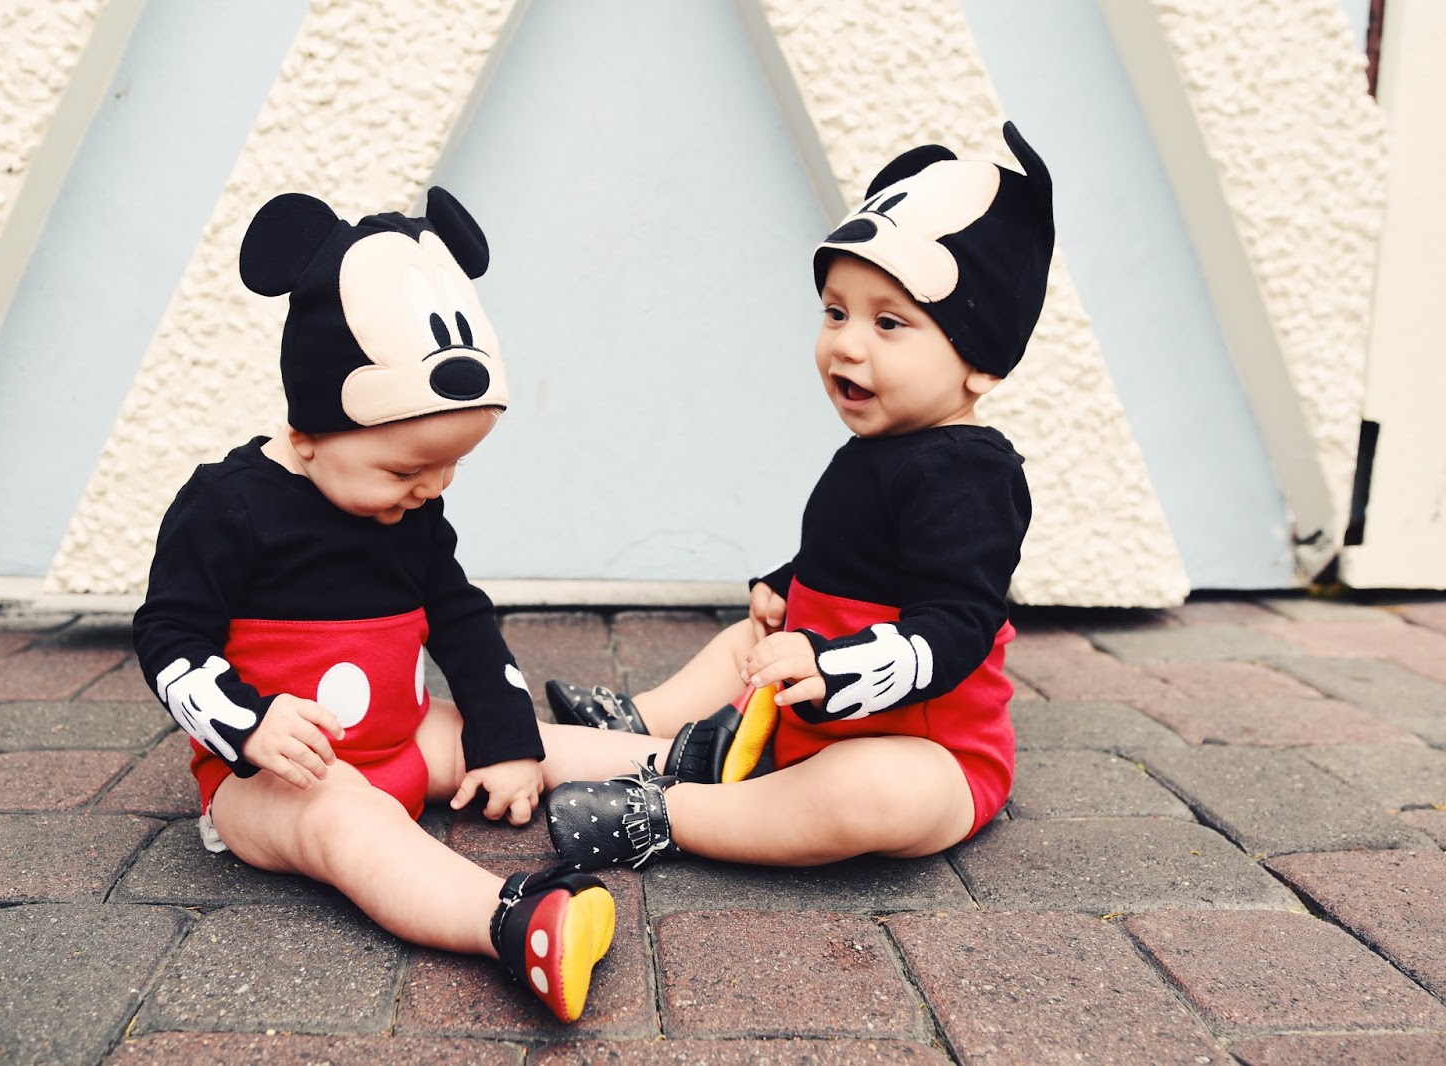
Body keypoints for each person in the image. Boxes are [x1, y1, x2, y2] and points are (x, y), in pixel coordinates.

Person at [132, 189, 617, 1023]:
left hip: (404, 734)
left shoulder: (413, 511)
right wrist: (247, 723)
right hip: (280, 776)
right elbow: (169, 636)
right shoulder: (228, 505)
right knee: (352, 826)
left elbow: (462, 620)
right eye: (405, 471)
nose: (430, 490)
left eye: (450, 468)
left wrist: (506, 744)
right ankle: (514, 923)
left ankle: (698, 766)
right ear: (308, 433)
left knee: (539, 742)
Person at [542, 122, 1053, 871]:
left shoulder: (973, 473)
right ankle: (644, 724)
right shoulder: (878, 447)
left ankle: (670, 813)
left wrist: (841, 666)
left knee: (873, 791)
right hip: (807, 706)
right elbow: (849, 553)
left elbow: (959, 622)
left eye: (888, 322)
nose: (846, 342)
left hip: (922, 746)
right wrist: (787, 584)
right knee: (744, 645)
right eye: (835, 313)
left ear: (982, 361)